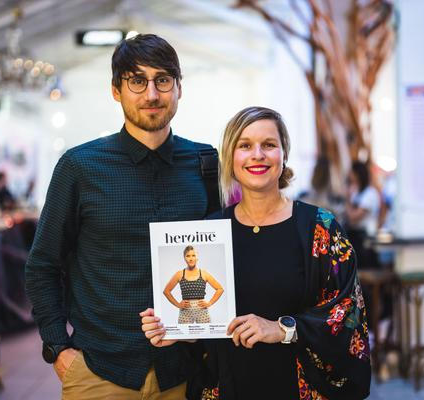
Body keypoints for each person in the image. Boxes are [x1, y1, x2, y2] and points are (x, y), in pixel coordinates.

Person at [25, 34, 219, 399]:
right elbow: (43, 265)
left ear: (179, 88)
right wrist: (57, 347)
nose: (151, 94)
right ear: (116, 90)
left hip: (184, 373)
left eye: (163, 80)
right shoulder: (79, 167)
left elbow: (221, 257)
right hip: (99, 371)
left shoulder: (205, 164)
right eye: (137, 81)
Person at [141, 106, 371, 399]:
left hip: (297, 388)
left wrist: (282, 329)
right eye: (245, 145)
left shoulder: (319, 228)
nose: (257, 155)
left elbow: (347, 312)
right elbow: (209, 326)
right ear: (230, 157)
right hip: (229, 386)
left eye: (269, 145)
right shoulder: (208, 231)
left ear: (283, 154)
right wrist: (177, 330)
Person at [163, 245, 224, 324]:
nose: (191, 258)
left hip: (202, 311)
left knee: (205, 332)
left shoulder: (204, 273)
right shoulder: (180, 274)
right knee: (184, 332)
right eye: (188, 256)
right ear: (184, 258)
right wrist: (178, 305)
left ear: (197, 257)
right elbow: (166, 291)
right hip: (185, 311)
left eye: (193, 255)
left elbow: (220, 289)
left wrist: (210, 303)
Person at [345, 161, 381, 269]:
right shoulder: (356, 191)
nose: (349, 175)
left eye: (351, 172)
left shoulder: (370, 193)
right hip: (355, 236)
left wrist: (347, 199)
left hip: (365, 239)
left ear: (357, 174)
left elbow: (353, 217)